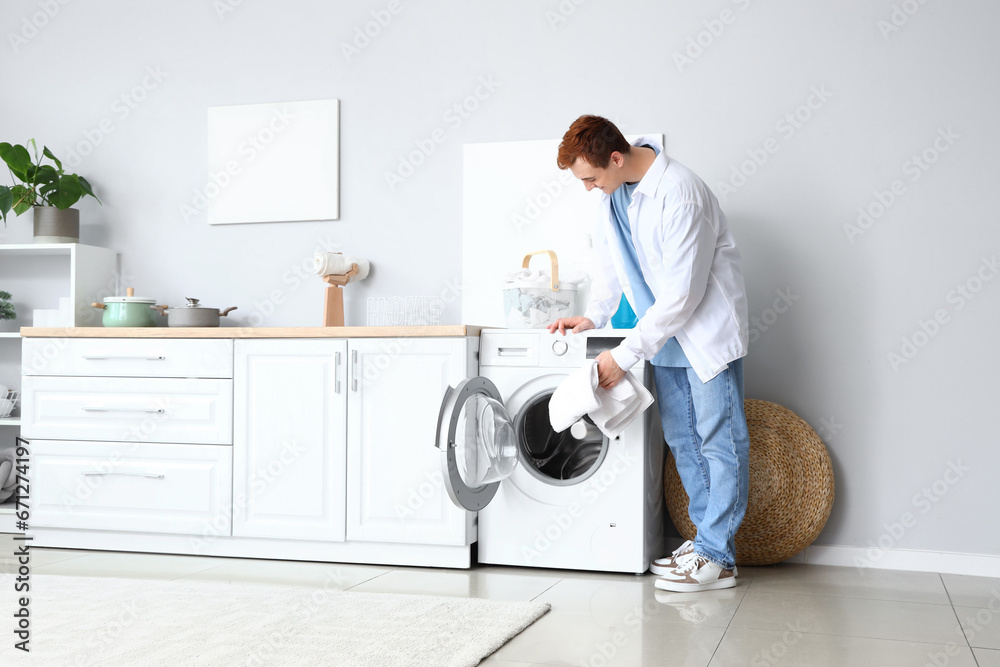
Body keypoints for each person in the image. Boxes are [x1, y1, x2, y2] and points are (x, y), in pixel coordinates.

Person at [547, 115, 750, 592]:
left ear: (615, 158)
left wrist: (624, 355)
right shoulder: (615, 196)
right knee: (683, 441)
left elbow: (682, 294)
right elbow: (613, 267)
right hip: (666, 340)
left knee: (719, 442)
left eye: (590, 178)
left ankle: (718, 555)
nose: (589, 188)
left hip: (702, 335)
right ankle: (706, 545)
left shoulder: (681, 192)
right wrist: (594, 316)